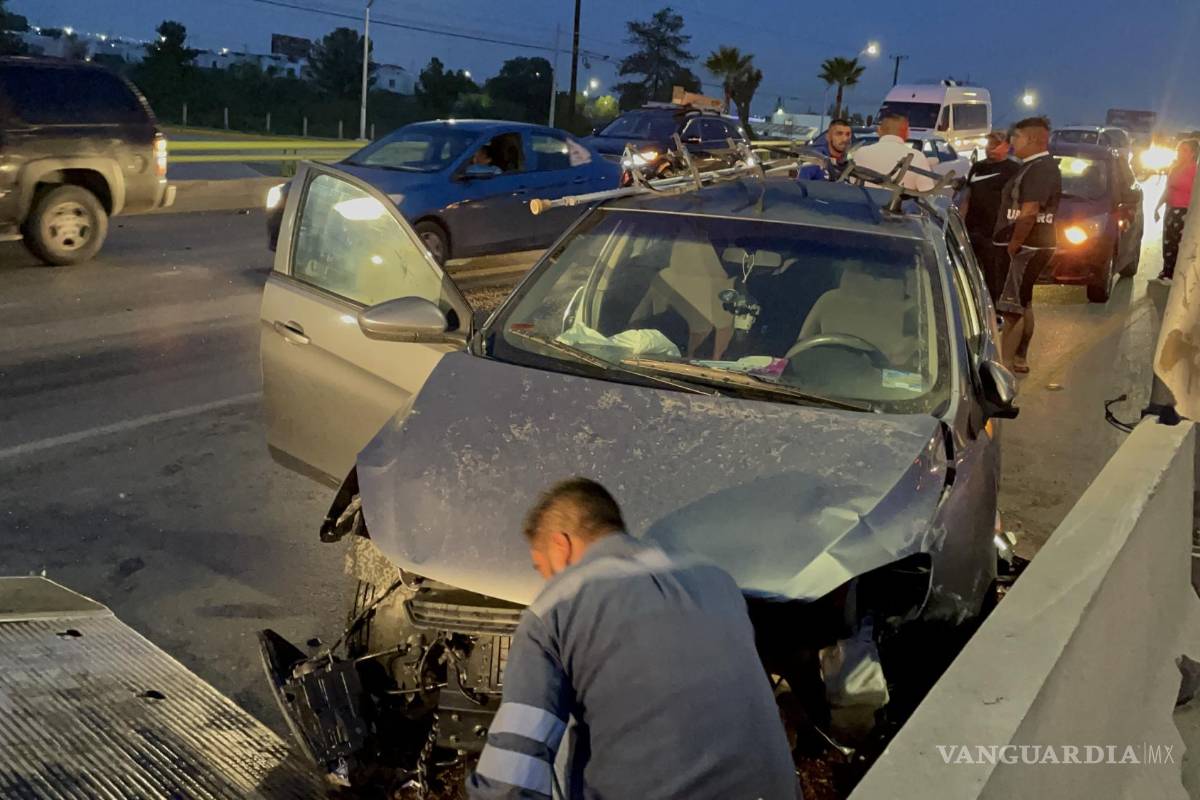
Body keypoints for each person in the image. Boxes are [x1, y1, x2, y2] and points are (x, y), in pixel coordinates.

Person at [467, 478, 798, 800]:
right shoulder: (715, 579)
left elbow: (510, 778)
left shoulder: (554, 609)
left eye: (542, 569)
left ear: (560, 545)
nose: (544, 582)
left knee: (557, 736)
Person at [993, 117, 1062, 374]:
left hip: (1027, 247)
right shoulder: (1032, 166)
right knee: (1023, 302)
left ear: (1033, 139)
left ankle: (1004, 365)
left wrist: (1014, 244)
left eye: (1017, 137)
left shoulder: (1040, 168)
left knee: (1012, 309)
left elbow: (1030, 211)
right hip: (1029, 245)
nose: (1012, 142)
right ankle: (1019, 357)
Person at [959, 130, 1021, 304]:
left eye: (995, 145)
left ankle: (995, 308)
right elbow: (968, 197)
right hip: (973, 229)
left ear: (1007, 146)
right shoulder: (978, 167)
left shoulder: (1014, 170)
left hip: (996, 232)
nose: (990, 148)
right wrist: (960, 223)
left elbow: (1018, 202)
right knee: (970, 272)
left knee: (994, 275)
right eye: (988, 144)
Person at [850, 114, 936, 191]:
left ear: (879, 130)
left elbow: (852, 184)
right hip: (898, 207)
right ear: (906, 133)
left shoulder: (861, 153)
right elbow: (927, 192)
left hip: (865, 207)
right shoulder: (916, 156)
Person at [1154, 139, 1199, 282]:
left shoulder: (1195, 171)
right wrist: (1158, 207)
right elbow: (1168, 189)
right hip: (1171, 210)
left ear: (1192, 153)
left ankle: (1182, 275)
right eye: (1179, 150)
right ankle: (1168, 271)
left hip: (1186, 212)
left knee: (1182, 244)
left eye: (1184, 150)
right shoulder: (1174, 168)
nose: (1180, 153)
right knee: (1169, 243)